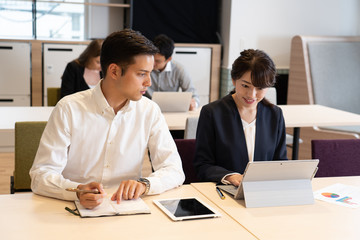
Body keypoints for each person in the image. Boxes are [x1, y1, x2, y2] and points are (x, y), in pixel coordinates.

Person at [30, 29, 185, 209]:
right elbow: (40, 175)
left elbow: (174, 170)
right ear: (114, 71)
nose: (148, 83)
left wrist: (145, 184)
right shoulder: (69, 109)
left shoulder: (149, 110)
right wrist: (76, 190)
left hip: (126, 207)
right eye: (141, 74)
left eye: (150, 73)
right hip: (73, 208)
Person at [194, 49, 287, 186]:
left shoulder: (275, 115)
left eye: (260, 88)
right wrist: (230, 176)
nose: (251, 95)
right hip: (225, 193)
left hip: (264, 193)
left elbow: (280, 163)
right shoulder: (212, 113)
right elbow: (202, 165)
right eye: (245, 86)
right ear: (233, 80)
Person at [145, 34, 199, 111]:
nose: (153, 63)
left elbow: (193, 94)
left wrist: (193, 103)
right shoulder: (144, 67)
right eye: (152, 58)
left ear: (168, 59)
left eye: (157, 61)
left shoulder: (179, 70)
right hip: (147, 109)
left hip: (170, 111)